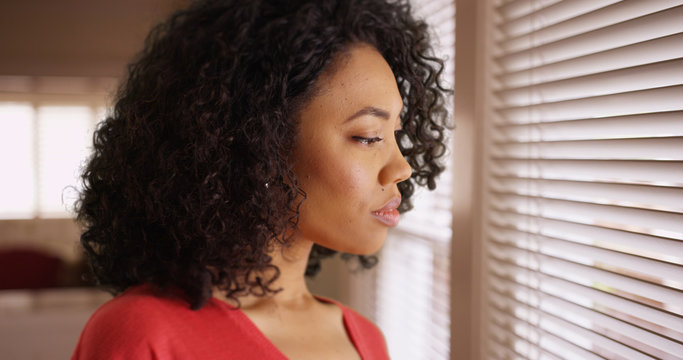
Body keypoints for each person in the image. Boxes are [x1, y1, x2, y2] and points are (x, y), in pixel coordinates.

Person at [71, 0, 449, 358]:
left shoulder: (365, 339)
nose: (403, 167)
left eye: (397, 134)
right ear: (261, 143)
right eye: (368, 136)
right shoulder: (141, 335)